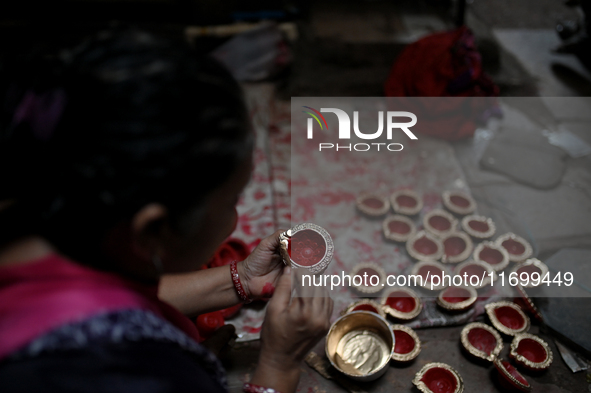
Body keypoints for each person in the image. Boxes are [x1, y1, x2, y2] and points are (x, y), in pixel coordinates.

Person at [0, 28, 333, 393]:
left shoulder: (35, 202)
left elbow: (97, 292)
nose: (236, 219)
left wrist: (240, 279)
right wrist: (278, 365)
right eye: (232, 201)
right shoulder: (131, 371)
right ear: (153, 231)